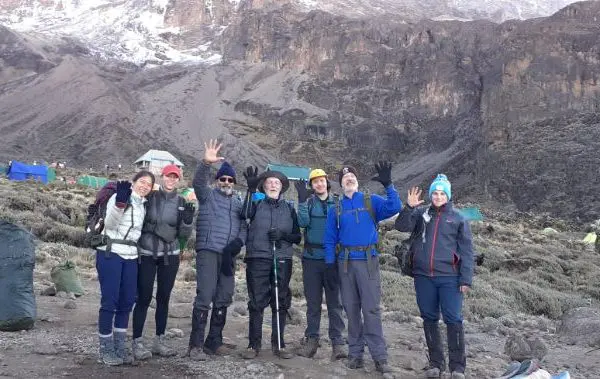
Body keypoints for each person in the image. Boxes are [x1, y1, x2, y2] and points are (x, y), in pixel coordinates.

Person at [323, 162, 401, 374]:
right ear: (340, 184)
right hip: (345, 263)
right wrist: (330, 265)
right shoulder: (336, 209)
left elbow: (395, 207)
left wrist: (389, 185)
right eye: (345, 177)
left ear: (357, 181)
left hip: (368, 261)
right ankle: (355, 354)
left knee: (371, 309)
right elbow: (330, 239)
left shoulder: (370, 201)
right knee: (351, 309)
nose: (349, 179)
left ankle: (379, 357)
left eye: (352, 177)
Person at [394, 174, 474, 379]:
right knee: (429, 319)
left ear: (447, 196)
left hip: (450, 278)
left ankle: (457, 367)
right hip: (423, 277)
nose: (438, 197)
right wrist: (409, 207)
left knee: (453, 320)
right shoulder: (421, 214)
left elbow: (466, 251)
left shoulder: (458, 218)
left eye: (441, 193)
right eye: (435, 193)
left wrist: (465, 279)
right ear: (431, 195)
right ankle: (436, 364)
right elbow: (401, 226)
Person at [188, 140, 248, 360]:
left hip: (228, 256)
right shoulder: (207, 195)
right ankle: (195, 345)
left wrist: (239, 243)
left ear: (234, 182)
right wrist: (206, 162)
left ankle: (213, 341)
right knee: (205, 296)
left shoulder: (239, 203)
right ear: (217, 180)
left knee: (224, 297)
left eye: (230, 179)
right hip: (208, 251)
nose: (226, 181)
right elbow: (198, 182)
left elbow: (244, 227)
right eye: (222, 178)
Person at [131, 164, 195, 360]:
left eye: (175, 177)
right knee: (143, 297)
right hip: (147, 253)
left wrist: (187, 221)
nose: (171, 180)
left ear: (179, 179)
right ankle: (137, 341)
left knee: (163, 298)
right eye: (168, 176)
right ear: (162, 177)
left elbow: (184, 234)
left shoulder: (182, 202)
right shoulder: (150, 197)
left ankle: (160, 340)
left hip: (170, 255)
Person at [240, 167, 301, 359]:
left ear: (282, 187)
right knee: (257, 301)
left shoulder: (290, 209)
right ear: (264, 186)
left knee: (280, 300)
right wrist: (250, 190)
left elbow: (297, 237)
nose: (273, 184)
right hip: (258, 257)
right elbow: (245, 214)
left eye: (277, 182)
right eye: (269, 182)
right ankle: (253, 344)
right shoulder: (256, 204)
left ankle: (279, 344)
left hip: (282, 258)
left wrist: (283, 235)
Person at [95, 171, 155, 366]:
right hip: (111, 252)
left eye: (148, 184)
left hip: (131, 256)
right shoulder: (119, 197)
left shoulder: (143, 205)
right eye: (141, 182)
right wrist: (120, 204)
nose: (144, 186)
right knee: (109, 301)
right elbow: (111, 224)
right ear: (134, 182)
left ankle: (120, 346)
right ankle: (106, 349)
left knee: (127, 301)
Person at [294, 169, 347, 360]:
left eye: (321, 180)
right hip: (311, 260)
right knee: (313, 303)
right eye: (315, 182)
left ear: (327, 182)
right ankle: (312, 340)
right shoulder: (308, 202)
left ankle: (338, 343)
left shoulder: (338, 203)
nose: (319, 184)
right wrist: (301, 201)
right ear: (311, 185)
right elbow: (302, 222)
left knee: (335, 303)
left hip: (332, 260)